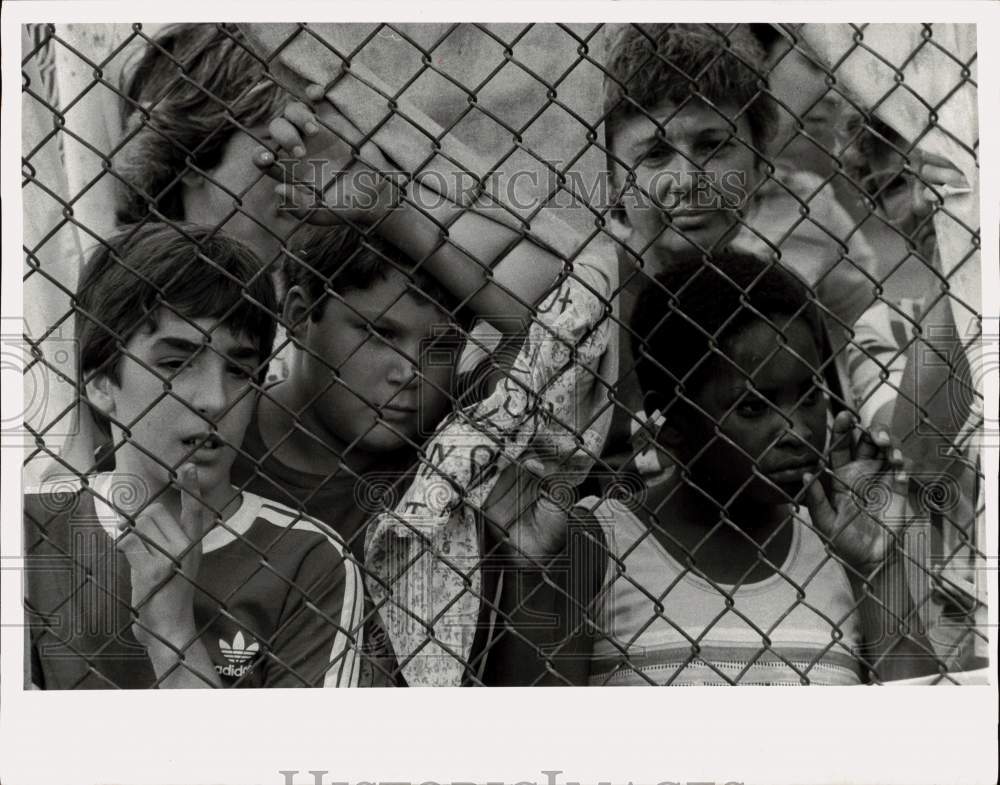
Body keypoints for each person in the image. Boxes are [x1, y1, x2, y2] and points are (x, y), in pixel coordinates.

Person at [24, 223, 364, 689]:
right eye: (175, 363)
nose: (214, 399)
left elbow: (285, 763)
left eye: (240, 370)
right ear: (102, 383)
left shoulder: (308, 560)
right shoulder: (30, 535)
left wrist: (172, 634)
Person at [582, 249, 938, 684]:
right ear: (671, 421)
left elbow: (922, 725)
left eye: (809, 396)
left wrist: (879, 570)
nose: (798, 431)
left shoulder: (840, 550)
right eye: (753, 406)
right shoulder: (598, 545)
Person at [598, 23, 904, 488]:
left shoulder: (785, 284)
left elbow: (864, 326)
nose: (687, 179)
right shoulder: (589, 298)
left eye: (713, 146)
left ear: (761, 166)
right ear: (615, 178)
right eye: (656, 154)